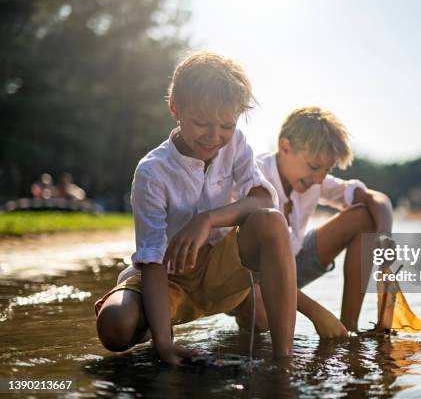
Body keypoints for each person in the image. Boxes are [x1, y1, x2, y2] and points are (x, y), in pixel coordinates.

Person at [94, 50, 298, 365]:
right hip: (169, 276)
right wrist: (164, 345)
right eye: (201, 123)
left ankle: (284, 359)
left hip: (221, 270)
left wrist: (208, 219)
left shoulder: (237, 143)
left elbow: (263, 201)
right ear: (176, 109)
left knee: (270, 222)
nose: (214, 137)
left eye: (226, 125)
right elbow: (151, 261)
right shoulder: (152, 171)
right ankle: (152, 325)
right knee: (115, 327)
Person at [257, 106, 396, 332]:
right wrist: (317, 313)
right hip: (252, 277)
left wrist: (384, 235)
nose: (320, 178)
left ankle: (348, 327)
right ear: (285, 147)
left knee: (365, 215)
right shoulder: (255, 175)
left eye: (327, 169)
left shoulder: (313, 179)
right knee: (262, 320)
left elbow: (376, 198)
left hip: (293, 261)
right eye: (313, 167)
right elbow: (257, 271)